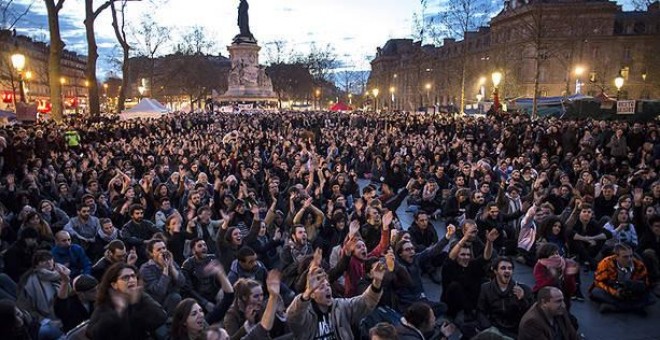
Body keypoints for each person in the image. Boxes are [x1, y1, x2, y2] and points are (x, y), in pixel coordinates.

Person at [285, 253, 386, 340]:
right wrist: (306, 293)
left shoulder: (340, 306)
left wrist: (377, 282)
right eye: (321, 287)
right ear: (312, 293)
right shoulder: (306, 313)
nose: (327, 289)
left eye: (328, 285)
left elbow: (365, 302)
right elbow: (292, 317)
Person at [87, 262, 168, 340]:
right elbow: (92, 334)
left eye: (133, 276)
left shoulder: (142, 297)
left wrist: (136, 304)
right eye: (125, 278)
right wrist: (118, 312)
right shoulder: (107, 303)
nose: (131, 280)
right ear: (114, 285)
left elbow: (161, 318)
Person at [589, 243, 656, 314]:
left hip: (630, 292)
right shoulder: (606, 263)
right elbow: (598, 282)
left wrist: (634, 286)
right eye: (625, 257)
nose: (629, 259)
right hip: (612, 290)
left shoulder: (639, 265)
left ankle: (615, 307)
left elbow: (645, 283)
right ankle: (635, 307)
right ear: (616, 256)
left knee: (651, 298)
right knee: (596, 292)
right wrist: (615, 293)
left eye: (631, 256)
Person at [477, 256, 533, 338]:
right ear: (495, 271)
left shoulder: (524, 289)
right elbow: (481, 311)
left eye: (510, 268)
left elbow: (530, 314)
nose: (507, 271)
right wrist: (487, 327)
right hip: (494, 329)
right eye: (503, 268)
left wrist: (522, 299)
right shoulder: (486, 288)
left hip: (515, 331)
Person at [140, 238, 186, 315]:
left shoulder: (170, 262)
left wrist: (171, 266)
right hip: (156, 305)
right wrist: (165, 268)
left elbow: (182, 283)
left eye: (164, 248)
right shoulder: (146, 269)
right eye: (159, 250)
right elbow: (159, 291)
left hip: (173, 301)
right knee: (175, 297)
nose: (163, 251)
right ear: (151, 253)